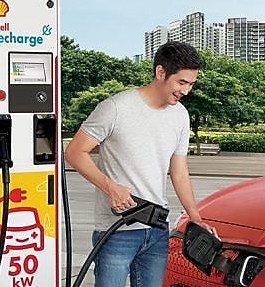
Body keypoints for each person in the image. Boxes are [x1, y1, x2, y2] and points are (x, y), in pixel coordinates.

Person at [63, 41, 213, 287]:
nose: (186, 91)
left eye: (191, 84)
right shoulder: (115, 108)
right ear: (160, 72)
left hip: (156, 230)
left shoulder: (180, 115)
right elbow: (75, 152)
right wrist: (110, 187)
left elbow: (179, 171)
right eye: (181, 82)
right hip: (116, 231)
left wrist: (195, 217)